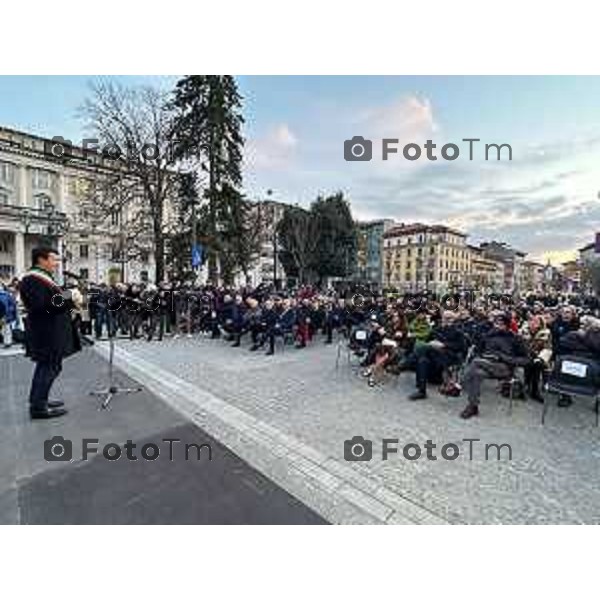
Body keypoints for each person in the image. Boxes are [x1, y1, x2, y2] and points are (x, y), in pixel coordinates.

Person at [19, 246, 81, 419]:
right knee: (48, 368)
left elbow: (50, 301)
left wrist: (68, 296)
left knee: (49, 367)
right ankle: (38, 407)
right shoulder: (33, 279)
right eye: (54, 259)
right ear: (41, 259)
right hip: (46, 333)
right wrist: (70, 296)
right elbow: (43, 308)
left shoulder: (42, 278)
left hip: (49, 331)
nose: (56, 263)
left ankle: (40, 400)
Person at [460, 313, 529, 419]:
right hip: (486, 364)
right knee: (477, 373)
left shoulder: (515, 339)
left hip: (504, 368)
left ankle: (458, 386)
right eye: (496, 323)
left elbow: (525, 360)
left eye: (501, 324)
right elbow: (478, 349)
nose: (498, 326)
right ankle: (473, 406)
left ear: (507, 325)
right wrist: (484, 352)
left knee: (476, 362)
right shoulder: (490, 335)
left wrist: (502, 357)